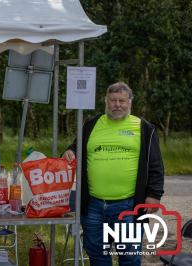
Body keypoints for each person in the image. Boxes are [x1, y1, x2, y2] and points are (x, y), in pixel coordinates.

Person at [63, 82, 164, 266]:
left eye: (122, 101)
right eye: (113, 100)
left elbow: (156, 165)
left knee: (129, 257)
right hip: (93, 205)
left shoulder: (144, 128)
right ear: (106, 102)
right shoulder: (91, 125)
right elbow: (76, 147)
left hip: (128, 206)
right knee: (97, 254)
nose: (117, 104)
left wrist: (154, 195)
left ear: (130, 103)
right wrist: (70, 151)